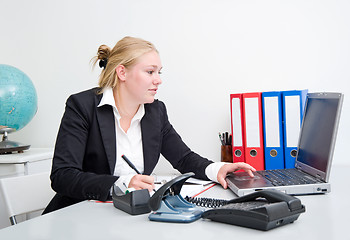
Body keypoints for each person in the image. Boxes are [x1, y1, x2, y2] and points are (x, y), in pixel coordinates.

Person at [43, 36, 256, 214]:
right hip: (79, 215)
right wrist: (122, 183)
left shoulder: (155, 111)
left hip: (128, 217)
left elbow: (183, 157)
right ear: (122, 73)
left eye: (159, 72)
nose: (158, 80)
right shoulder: (82, 106)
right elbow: (63, 175)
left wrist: (218, 168)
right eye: (150, 72)